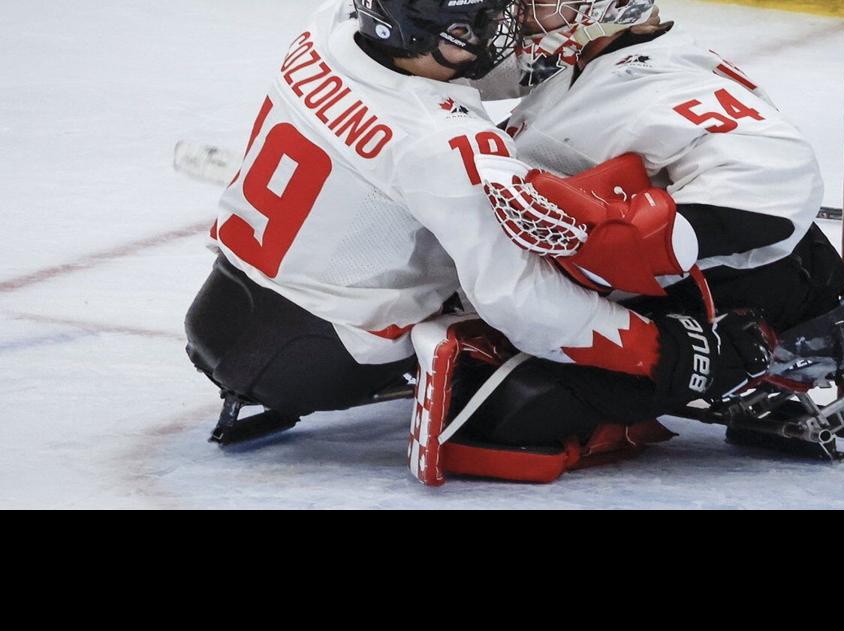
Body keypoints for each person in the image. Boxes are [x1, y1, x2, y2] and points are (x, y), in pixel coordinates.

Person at [183, 0, 772, 480]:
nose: (506, 27)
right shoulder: (445, 146)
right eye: (486, 20)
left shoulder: (330, 28)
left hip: (228, 300)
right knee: (581, 251)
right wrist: (660, 352)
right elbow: (515, 298)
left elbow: (441, 71)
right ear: (437, 32)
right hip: (327, 357)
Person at [435, 0, 844, 455]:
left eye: (540, 3)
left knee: (492, 410)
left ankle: (726, 361)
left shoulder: (658, 83)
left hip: (759, 294)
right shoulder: (592, 59)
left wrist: (628, 243)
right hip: (689, 283)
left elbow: (775, 176)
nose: (519, 12)